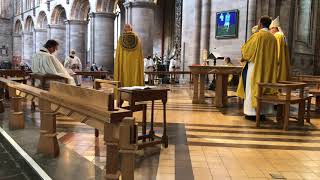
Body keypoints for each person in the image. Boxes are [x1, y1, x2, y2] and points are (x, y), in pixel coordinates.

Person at [236, 16, 278, 120]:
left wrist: (243, 56)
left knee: (252, 88)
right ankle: (263, 112)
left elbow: (246, 51)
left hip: (255, 67)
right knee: (264, 88)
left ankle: (252, 113)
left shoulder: (257, 35)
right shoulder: (273, 37)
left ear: (260, 24)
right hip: (267, 69)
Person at [270, 16, 290, 81]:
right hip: (283, 60)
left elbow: (277, 50)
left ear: (275, 28)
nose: (270, 31)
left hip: (279, 61)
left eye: (271, 29)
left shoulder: (277, 36)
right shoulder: (282, 35)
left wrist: (275, 61)